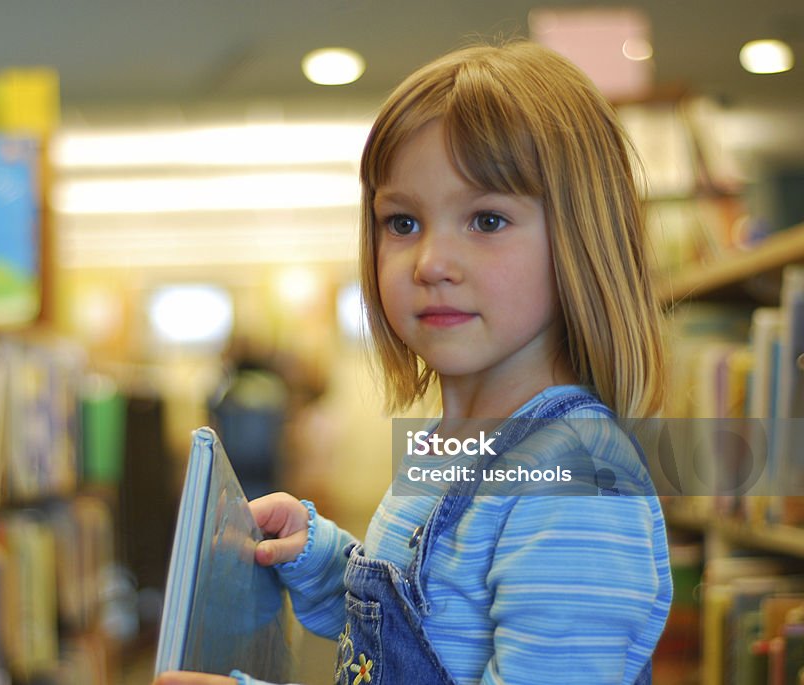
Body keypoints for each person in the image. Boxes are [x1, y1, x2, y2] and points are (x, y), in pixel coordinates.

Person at [154, 39, 671, 685]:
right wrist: (325, 561)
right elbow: (421, 619)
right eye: (402, 223)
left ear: (580, 237)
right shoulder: (454, 443)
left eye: (486, 218)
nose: (430, 262)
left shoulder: (573, 482)